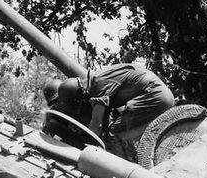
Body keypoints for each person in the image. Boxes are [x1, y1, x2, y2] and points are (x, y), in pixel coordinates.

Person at [43, 63, 175, 156]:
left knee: (114, 133)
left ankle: (123, 166)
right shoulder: (97, 80)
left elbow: (96, 127)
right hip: (161, 95)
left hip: (155, 96)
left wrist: (91, 152)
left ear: (79, 98)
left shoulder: (97, 85)